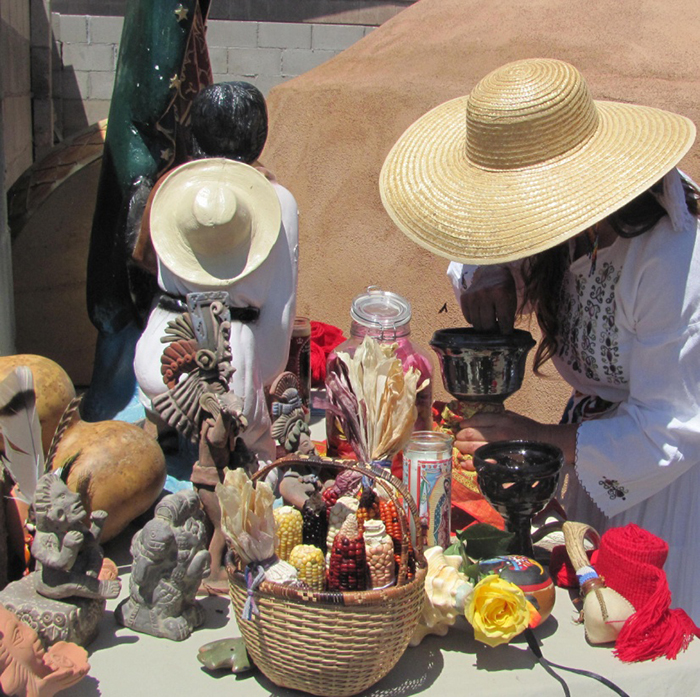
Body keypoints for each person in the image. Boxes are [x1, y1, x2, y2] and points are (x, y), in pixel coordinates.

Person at [379, 57, 700, 621]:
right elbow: (487, 236)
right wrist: (490, 273)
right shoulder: (561, 223)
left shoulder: (674, 258)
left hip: (664, 483)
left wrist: (543, 438)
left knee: (638, 631)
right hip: (596, 456)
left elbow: (673, 425)